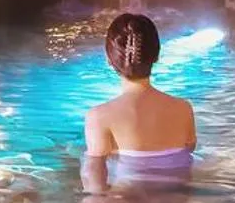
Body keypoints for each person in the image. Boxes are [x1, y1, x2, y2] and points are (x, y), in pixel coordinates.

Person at [82, 13, 197, 193]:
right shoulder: (183, 109)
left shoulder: (99, 117)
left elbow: (95, 177)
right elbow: (188, 156)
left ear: (109, 60)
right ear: (157, 56)